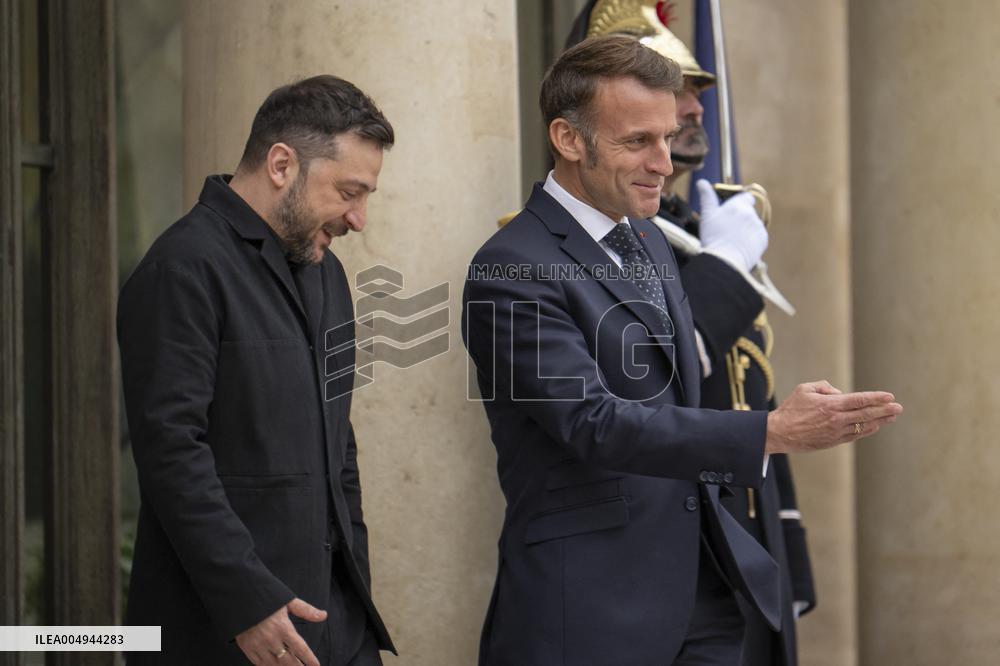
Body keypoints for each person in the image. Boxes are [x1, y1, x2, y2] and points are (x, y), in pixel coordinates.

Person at [462, 35, 901, 665]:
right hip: (588, 613)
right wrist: (769, 431)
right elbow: (592, 423)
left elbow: (674, 394)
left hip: (706, 598)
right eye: (637, 141)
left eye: (667, 138)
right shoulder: (509, 268)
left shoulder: (650, 240)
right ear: (567, 139)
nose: (664, 163)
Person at [118, 75, 396, 666]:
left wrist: (357, 603)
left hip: (338, 631)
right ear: (280, 164)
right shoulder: (181, 269)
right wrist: (247, 603)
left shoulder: (328, 277)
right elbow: (171, 454)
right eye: (349, 191)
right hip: (224, 634)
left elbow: (337, 448)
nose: (359, 218)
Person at [570, 3, 818, 663]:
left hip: (742, 548)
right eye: (674, 91)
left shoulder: (685, 234)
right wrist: (726, 269)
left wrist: (784, 544)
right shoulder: (574, 252)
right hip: (657, 564)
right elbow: (645, 381)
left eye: (692, 92)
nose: (694, 110)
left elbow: (747, 388)